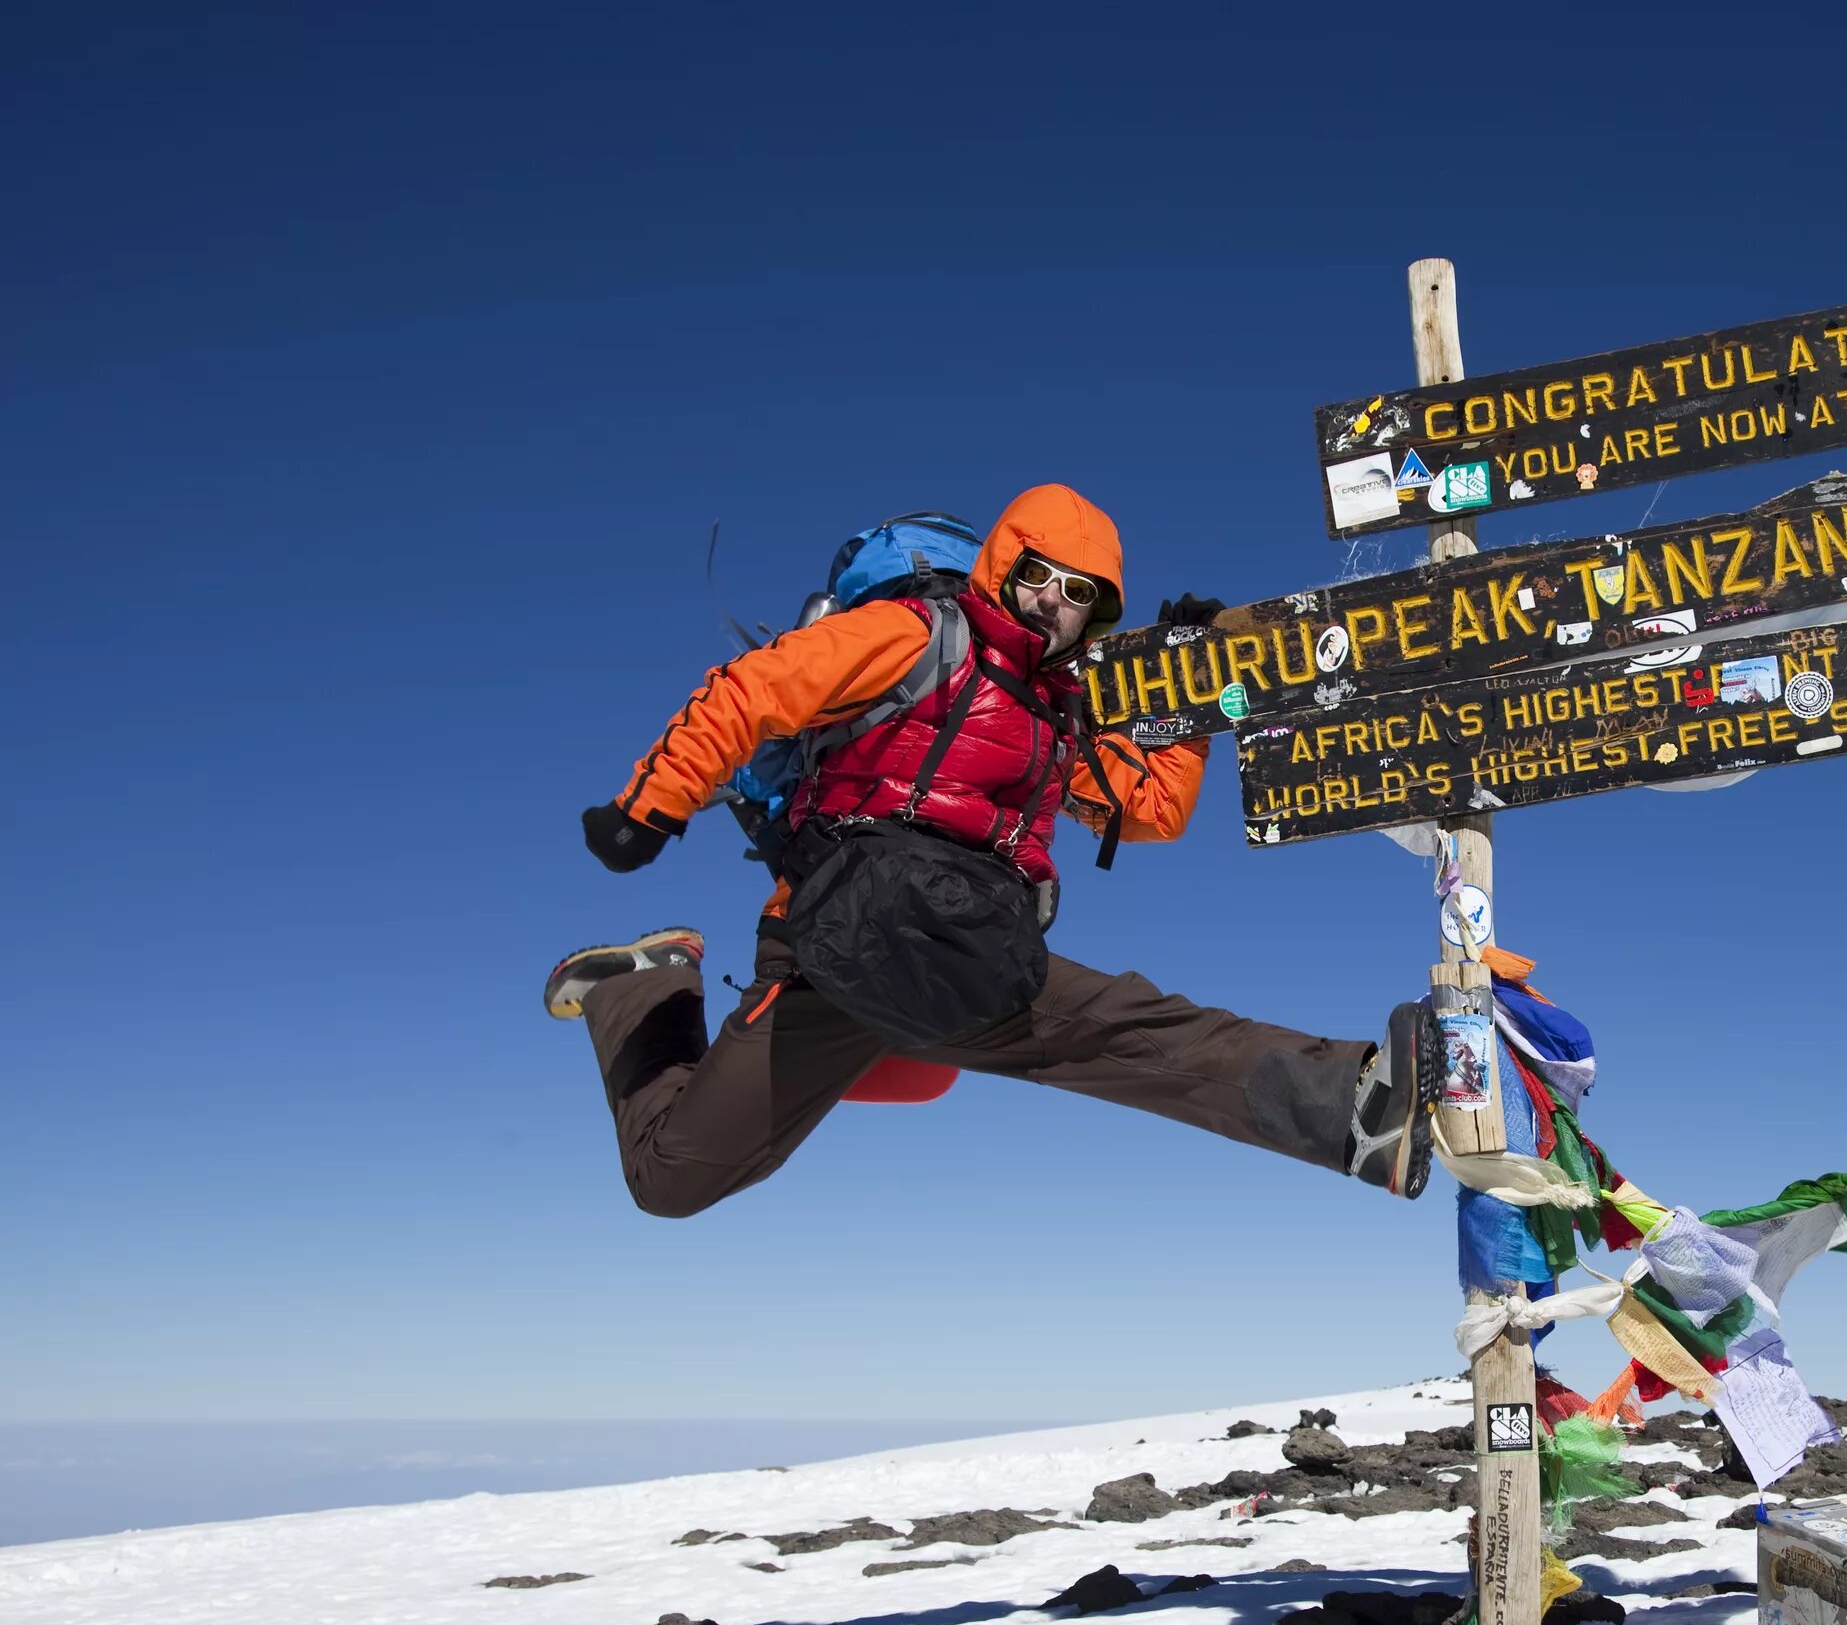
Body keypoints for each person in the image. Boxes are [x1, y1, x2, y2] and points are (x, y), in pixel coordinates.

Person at [544, 484, 1432, 1217]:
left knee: (1137, 1031)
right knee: (671, 1180)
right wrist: (648, 809)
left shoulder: (1062, 715)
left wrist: (1189, 709)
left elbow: (1150, 811)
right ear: (1004, 565)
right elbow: (756, 689)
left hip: (967, 954)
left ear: (1099, 611)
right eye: (1040, 574)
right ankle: (645, 985)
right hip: (836, 941)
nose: (1054, 599)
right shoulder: (915, 636)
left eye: (1080, 592)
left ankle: (1354, 1111)